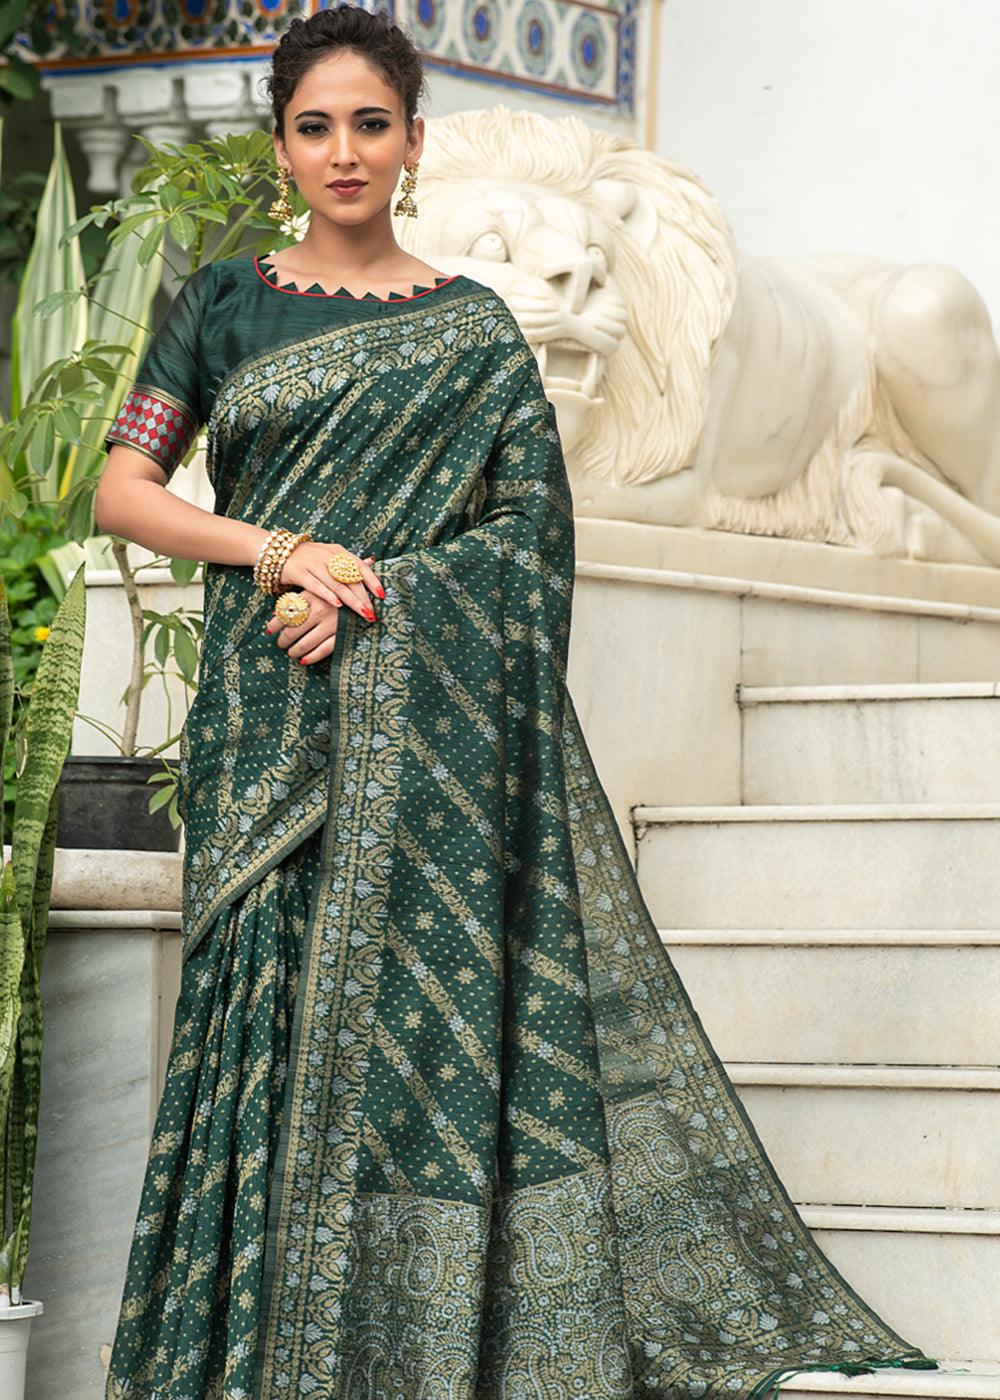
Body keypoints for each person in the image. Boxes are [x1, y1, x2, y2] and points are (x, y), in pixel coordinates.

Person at [95, 6, 940, 1397]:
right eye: (316, 126)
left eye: (372, 124)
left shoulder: (477, 328)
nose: (346, 151)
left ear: (414, 142)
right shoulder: (219, 306)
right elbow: (125, 491)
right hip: (267, 715)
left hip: (428, 749)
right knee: (258, 1024)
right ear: (282, 144)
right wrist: (284, 552)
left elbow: (533, 545)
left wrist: (380, 595)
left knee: (411, 1047)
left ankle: (410, 1354)